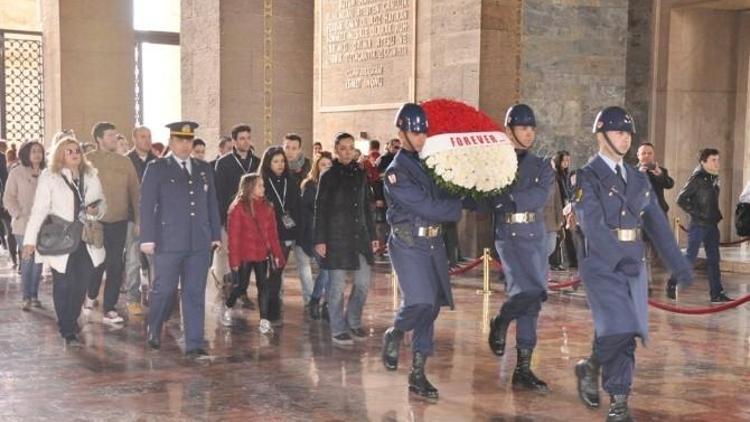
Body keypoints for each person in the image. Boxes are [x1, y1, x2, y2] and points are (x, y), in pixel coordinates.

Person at [573, 106, 692, 421]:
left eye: (628, 133)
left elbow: (657, 225)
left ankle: (616, 397)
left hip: (634, 262)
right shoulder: (585, 176)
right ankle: (601, 380)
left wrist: (678, 264)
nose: (625, 139)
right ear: (601, 135)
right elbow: (592, 225)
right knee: (621, 324)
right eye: (618, 132)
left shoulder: (639, 181)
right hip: (602, 263)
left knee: (627, 332)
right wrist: (617, 259)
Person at [381, 103, 463, 400]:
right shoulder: (395, 172)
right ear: (401, 133)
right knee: (420, 300)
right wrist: (454, 208)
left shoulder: (431, 163)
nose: (420, 137)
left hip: (433, 242)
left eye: (423, 132)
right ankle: (396, 331)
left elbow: (447, 194)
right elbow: (426, 206)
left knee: (431, 307)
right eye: (415, 132)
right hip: (408, 242)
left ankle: (417, 372)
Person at [486, 104, 554, 392]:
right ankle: (502, 321)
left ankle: (522, 368)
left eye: (532, 128)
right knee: (529, 291)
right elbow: (486, 196)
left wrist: (508, 198)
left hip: (535, 233)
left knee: (534, 300)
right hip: (509, 235)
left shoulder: (541, 165)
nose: (529, 133)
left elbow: (540, 195)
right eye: (524, 128)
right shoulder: (496, 162)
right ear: (509, 130)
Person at [140, 121, 221, 358]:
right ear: (171, 143)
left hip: (199, 241)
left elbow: (211, 204)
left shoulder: (204, 168)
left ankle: (194, 344)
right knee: (163, 290)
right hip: (168, 241)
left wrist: (215, 234)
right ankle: (154, 327)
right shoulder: (157, 168)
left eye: (189, 141)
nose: (185, 146)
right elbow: (146, 205)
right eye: (180, 141)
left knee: (194, 292)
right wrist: (147, 237)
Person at [23, 133, 107, 347]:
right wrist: (29, 241)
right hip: (62, 238)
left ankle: (71, 318)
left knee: (83, 281)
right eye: (68, 151)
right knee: (63, 283)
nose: (74, 154)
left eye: (77, 150)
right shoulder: (49, 176)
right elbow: (39, 210)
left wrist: (96, 210)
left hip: (85, 238)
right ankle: (67, 328)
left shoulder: (90, 175)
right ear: (60, 155)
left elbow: (102, 203)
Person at [314, 133, 377, 345]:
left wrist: (373, 235)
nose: (348, 152)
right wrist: (320, 239)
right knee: (337, 286)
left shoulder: (361, 173)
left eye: (351, 148)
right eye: (343, 148)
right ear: (336, 149)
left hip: (360, 237)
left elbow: (367, 205)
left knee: (363, 283)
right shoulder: (328, 175)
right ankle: (338, 327)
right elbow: (320, 209)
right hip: (336, 238)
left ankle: (354, 320)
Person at [85, 122, 140, 325]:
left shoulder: (125, 163)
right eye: (110, 136)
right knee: (96, 264)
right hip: (95, 223)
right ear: (99, 139)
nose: (115, 139)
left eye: (116, 136)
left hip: (119, 222)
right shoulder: (87, 161)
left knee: (116, 265)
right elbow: (78, 189)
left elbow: (135, 192)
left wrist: (139, 220)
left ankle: (110, 307)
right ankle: (90, 295)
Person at [666, 148, 732, 303]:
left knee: (714, 259)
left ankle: (716, 293)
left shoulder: (713, 178)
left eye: (718, 159)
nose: (717, 163)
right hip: (698, 225)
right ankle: (672, 282)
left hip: (711, 224)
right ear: (703, 162)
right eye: (713, 160)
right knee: (690, 257)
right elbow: (681, 199)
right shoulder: (697, 178)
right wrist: (697, 214)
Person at [224, 173, 286, 333]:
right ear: (250, 187)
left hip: (262, 254)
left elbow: (273, 234)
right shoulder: (238, 207)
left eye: (263, 185)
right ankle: (228, 305)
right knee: (241, 286)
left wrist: (278, 254)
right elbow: (234, 237)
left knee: (263, 286)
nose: (263, 188)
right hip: (244, 255)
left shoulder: (267, 206)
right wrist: (234, 261)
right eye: (260, 185)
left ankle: (264, 320)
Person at [213, 124, 260, 307]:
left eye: (248, 138)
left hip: (252, 218)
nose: (246, 141)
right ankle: (228, 289)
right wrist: (223, 219)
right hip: (231, 217)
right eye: (242, 138)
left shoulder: (256, 162)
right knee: (230, 255)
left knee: (247, 256)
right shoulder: (223, 163)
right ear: (234, 141)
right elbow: (219, 194)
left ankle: (242, 291)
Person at [260, 145, 301, 325]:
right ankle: (267, 310)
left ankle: (273, 311)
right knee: (269, 273)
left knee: (277, 271)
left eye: (282, 161)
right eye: (276, 161)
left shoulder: (290, 181)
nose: (280, 165)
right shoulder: (261, 181)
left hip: (285, 232)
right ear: (268, 163)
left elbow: (295, 205)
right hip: (266, 233)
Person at [3, 141, 46, 310]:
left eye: (39, 151)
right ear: (26, 153)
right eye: (33, 151)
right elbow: (8, 197)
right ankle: (26, 296)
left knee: (39, 261)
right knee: (28, 260)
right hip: (23, 224)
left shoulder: (47, 173)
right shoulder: (17, 172)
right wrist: (18, 213)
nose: (37, 154)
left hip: (43, 226)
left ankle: (34, 294)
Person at [124, 127, 157, 316]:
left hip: (153, 219)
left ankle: (156, 296)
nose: (147, 140)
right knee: (133, 261)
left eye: (149, 136)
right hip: (131, 218)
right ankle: (133, 299)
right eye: (143, 137)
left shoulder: (158, 162)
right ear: (134, 139)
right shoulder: (126, 161)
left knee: (155, 261)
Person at [300, 152, 333, 320]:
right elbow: (306, 213)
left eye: (329, 165)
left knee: (330, 271)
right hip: (315, 234)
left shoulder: (336, 186)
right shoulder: (310, 186)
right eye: (322, 164)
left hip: (332, 235)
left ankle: (325, 304)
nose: (326, 168)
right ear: (316, 167)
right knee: (327, 270)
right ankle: (316, 301)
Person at [636, 142, 674, 214]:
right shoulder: (632, 171)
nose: (647, 155)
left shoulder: (661, 170)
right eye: (644, 153)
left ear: (653, 155)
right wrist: (638, 175)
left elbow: (670, 184)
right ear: (638, 155)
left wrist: (660, 175)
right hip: (640, 212)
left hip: (659, 211)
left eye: (650, 153)